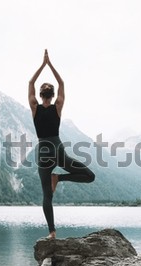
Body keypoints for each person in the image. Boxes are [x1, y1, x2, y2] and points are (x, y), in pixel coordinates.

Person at [28, 49, 95, 239]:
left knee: (46, 196)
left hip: (43, 152)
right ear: (53, 94)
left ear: (41, 95)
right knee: (89, 176)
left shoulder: (34, 108)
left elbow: (30, 82)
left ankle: (52, 232)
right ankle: (59, 177)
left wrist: (42, 64)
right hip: (57, 150)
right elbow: (62, 83)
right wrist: (50, 64)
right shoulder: (58, 107)